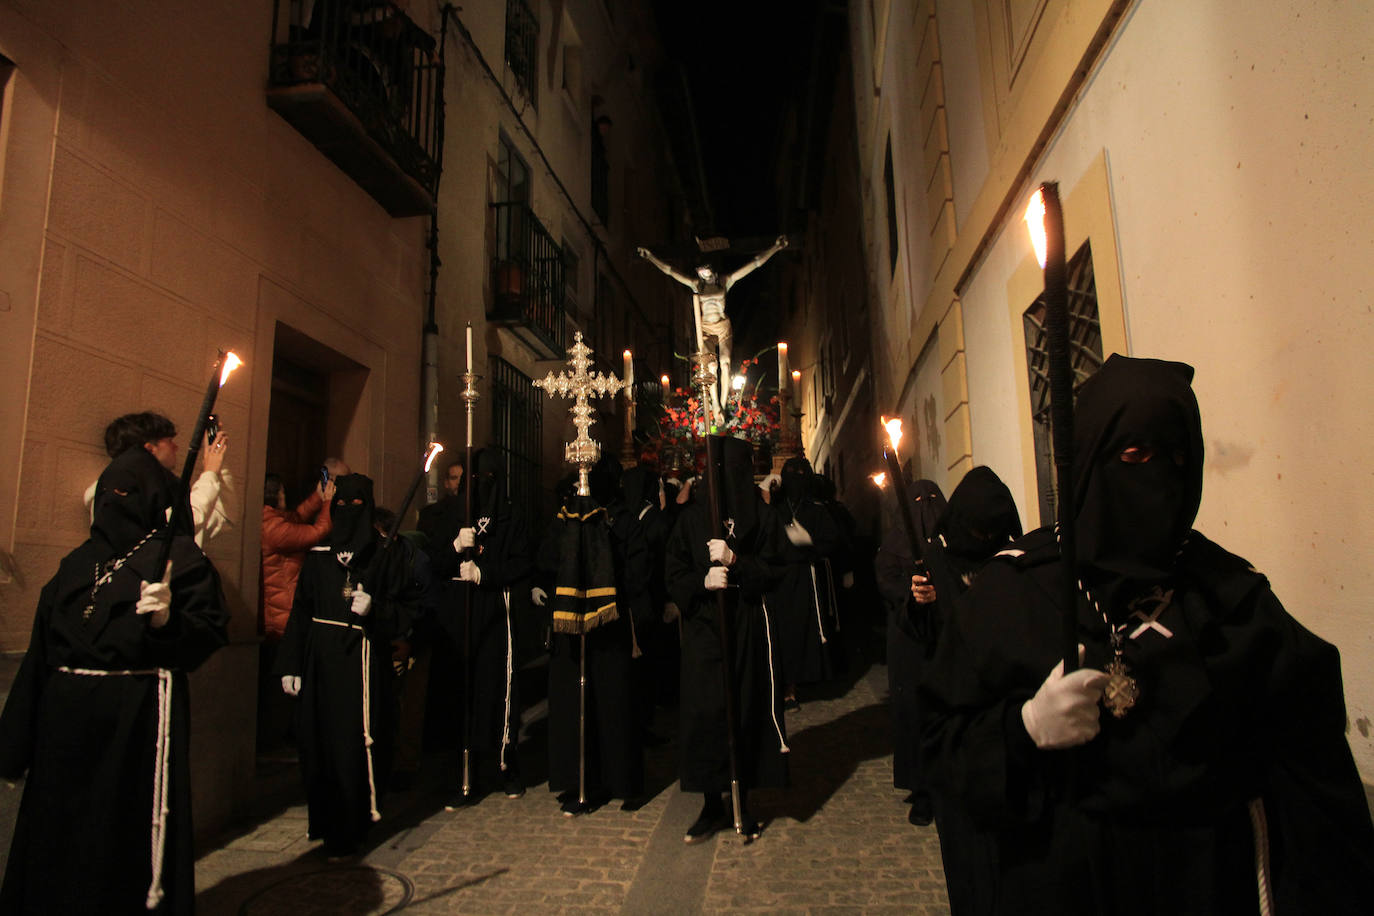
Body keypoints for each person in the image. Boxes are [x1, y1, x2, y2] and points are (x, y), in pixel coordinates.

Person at [920, 355, 1374, 914]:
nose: (1156, 479)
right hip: (1061, 886)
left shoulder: (1229, 596)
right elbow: (942, 743)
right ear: (1088, 458)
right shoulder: (1012, 591)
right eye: (1133, 456)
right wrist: (1023, 729)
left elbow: (1315, 778)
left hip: (1206, 886)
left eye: (1176, 458)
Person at [0, 447, 229, 913]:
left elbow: (209, 631)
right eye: (107, 492)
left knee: (118, 838)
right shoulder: (77, 564)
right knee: (59, 841)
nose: (113, 502)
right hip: (63, 728)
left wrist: (169, 620)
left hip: (134, 724)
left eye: (126, 492)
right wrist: (13, 748)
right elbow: (41, 656)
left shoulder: (180, 559)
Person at [275, 473, 422, 858]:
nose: (347, 511)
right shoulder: (319, 557)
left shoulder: (385, 554)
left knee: (356, 743)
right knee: (319, 742)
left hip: (363, 660)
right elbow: (300, 612)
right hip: (320, 661)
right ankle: (324, 820)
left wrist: (378, 611)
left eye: (357, 505)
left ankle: (354, 823)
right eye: (341, 503)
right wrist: (290, 663)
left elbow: (408, 610)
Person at [665, 436, 790, 843]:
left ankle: (744, 799)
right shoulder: (691, 519)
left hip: (745, 624)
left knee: (745, 710)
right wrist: (701, 582)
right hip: (705, 630)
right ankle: (710, 804)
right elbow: (674, 571)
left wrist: (738, 563)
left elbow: (777, 569)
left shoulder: (762, 517)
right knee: (706, 715)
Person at [538, 457, 647, 814]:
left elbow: (637, 569)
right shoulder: (566, 518)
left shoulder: (623, 521)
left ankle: (620, 780)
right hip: (571, 625)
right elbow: (549, 559)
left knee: (614, 702)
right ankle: (576, 779)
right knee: (572, 704)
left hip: (610, 624)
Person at [431, 449, 534, 804]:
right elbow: (434, 563)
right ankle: (462, 773)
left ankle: (505, 766)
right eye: (473, 480)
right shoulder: (449, 513)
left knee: (497, 690)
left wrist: (485, 572)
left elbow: (522, 562)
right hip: (458, 609)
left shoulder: (512, 517)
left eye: (485, 480)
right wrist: (454, 546)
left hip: (494, 606)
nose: (478, 486)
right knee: (462, 691)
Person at [82, 411, 235, 547]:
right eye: (169, 441)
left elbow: (223, 517)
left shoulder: (162, 490)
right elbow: (177, 523)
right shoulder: (117, 493)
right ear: (149, 449)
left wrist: (219, 463)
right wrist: (209, 473)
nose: (176, 447)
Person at [765, 456, 844, 706]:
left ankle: (801, 680)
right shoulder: (776, 509)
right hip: (782, 579)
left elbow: (832, 541)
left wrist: (809, 545)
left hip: (806, 578)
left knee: (804, 630)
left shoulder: (816, 509)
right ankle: (787, 684)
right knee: (784, 632)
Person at [260, 473, 334, 640]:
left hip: (282, 610)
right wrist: (329, 501)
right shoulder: (273, 528)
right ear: (276, 495)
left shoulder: (269, 518)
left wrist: (317, 497)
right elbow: (317, 532)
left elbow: (295, 518)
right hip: (284, 612)